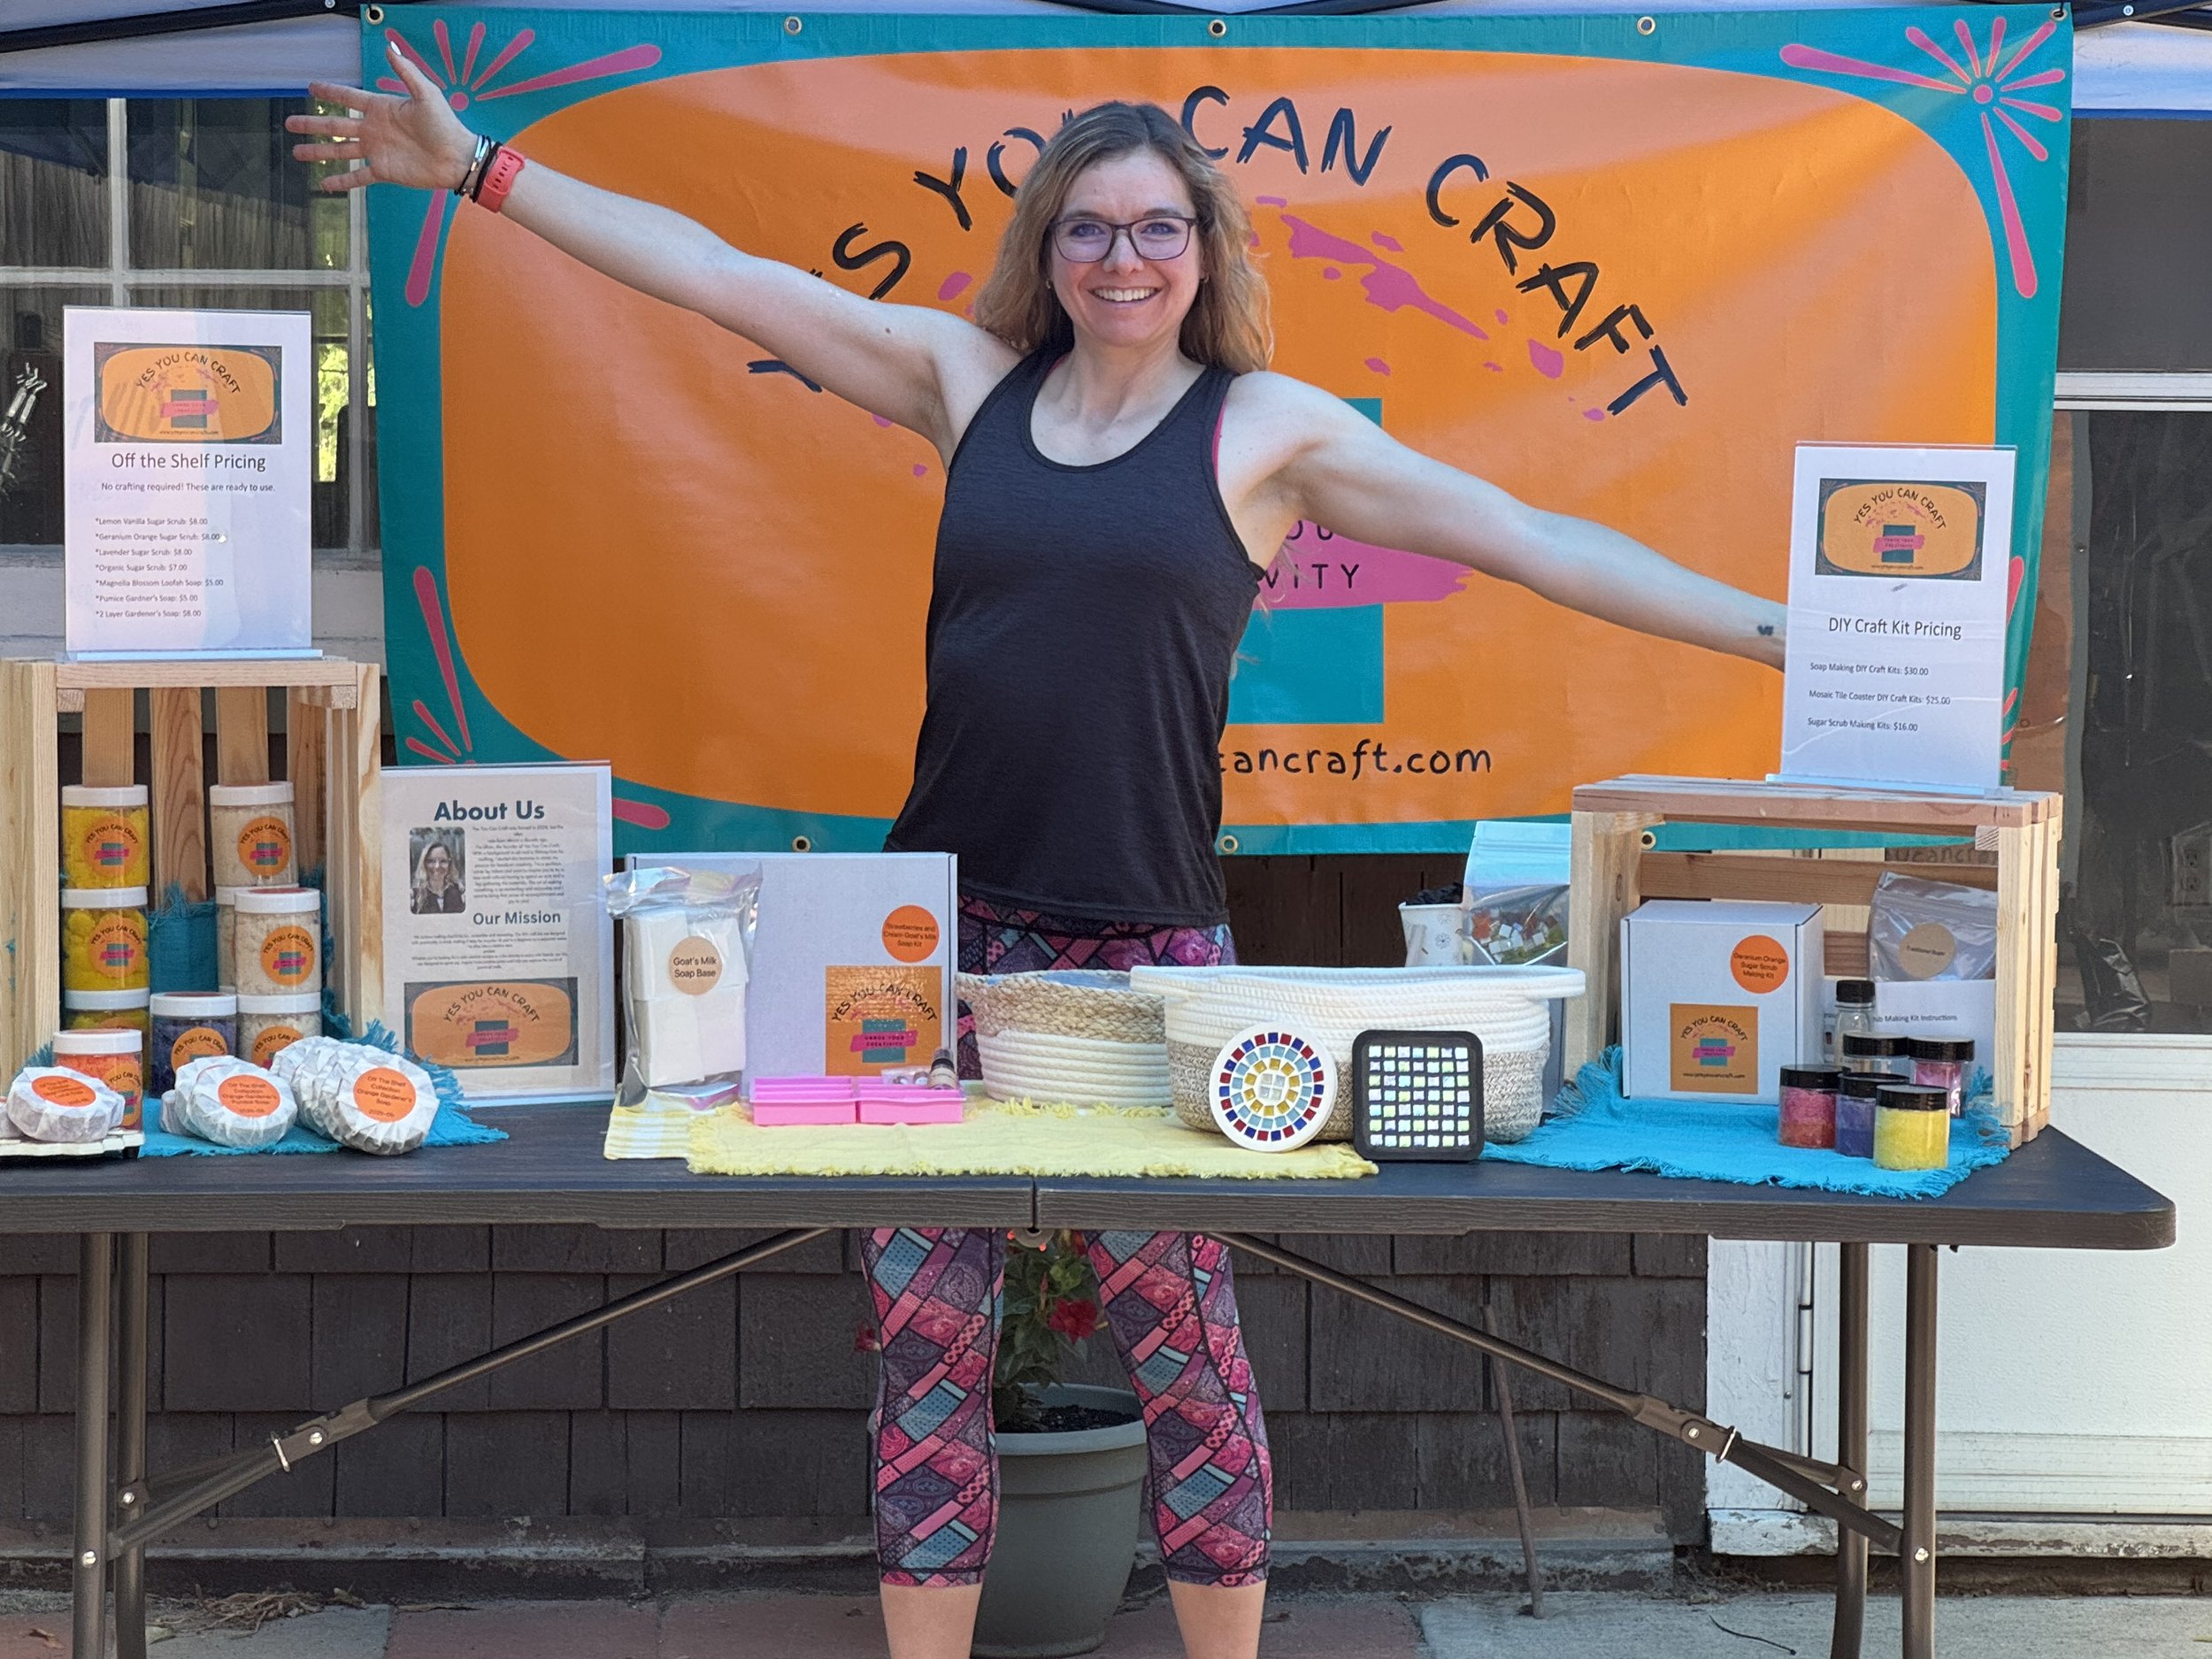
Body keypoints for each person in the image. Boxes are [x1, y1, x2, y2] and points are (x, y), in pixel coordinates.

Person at [294, 53, 1784, 1659]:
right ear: (1046, 250)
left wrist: (1785, 636)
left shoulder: (1265, 430)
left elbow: (1541, 540)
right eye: (1088, 230)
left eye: (1155, 228)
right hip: (929, 947)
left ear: (1205, 248)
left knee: (1190, 1358)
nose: (1122, 259)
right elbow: (723, 277)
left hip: (1150, 962)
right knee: (926, 1353)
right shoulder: (966, 381)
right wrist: (479, 172)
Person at [410, 837, 465, 915]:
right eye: (431, 861)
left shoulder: (460, 893)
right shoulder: (413, 897)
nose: (437, 866)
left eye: (443, 861)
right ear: (424, 864)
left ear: (449, 864)